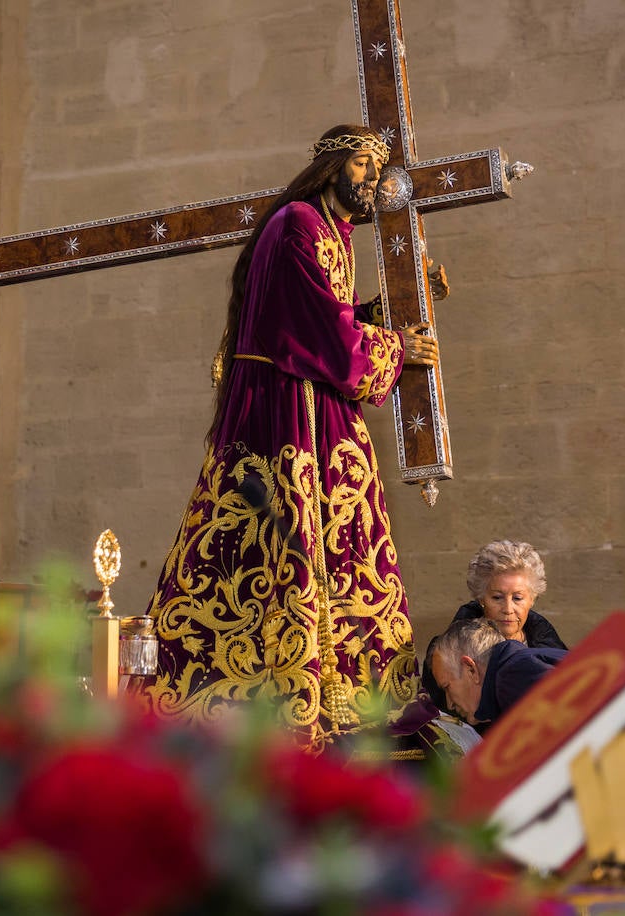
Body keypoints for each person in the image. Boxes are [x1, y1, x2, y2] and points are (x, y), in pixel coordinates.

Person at [143, 125, 441, 749]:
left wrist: (379, 317)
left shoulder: (334, 232)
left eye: (376, 167)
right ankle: (279, 704)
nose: (371, 178)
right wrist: (395, 346)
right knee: (273, 555)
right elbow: (320, 340)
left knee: (339, 549)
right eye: (362, 163)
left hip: (315, 408)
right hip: (284, 415)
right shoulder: (299, 222)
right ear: (330, 166)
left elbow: (322, 320)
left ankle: (348, 698)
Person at [426, 619, 625, 879]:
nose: (450, 703)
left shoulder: (513, 675)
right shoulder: (522, 666)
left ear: (470, 669)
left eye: (446, 688)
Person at [421, 540, 566, 712]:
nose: (508, 609)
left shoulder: (548, 645)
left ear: (532, 599)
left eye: (518, 598)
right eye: (497, 597)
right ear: (481, 599)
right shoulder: (445, 655)